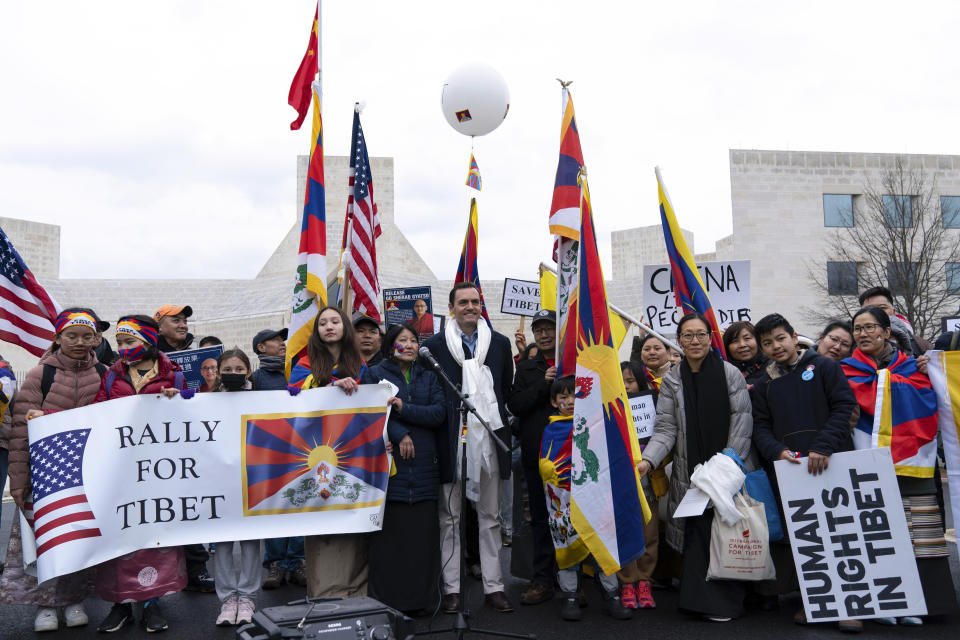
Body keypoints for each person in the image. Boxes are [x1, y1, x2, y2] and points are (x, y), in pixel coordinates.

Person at [842, 306, 959, 625]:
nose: (863, 334)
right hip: (866, 463)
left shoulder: (915, 368)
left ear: (886, 332)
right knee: (877, 534)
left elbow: (934, 403)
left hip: (912, 463)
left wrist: (918, 374)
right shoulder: (845, 370)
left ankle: (922, 603)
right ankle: (884, 604)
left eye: (869, 327)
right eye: (857, 328)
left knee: (919, 536)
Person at [637, 312, 754, 622]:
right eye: (687, 336)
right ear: (679, 341)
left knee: (726, 534)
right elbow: (665, 428)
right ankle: (697, 602)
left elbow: (742, 425)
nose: (695, 341)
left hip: (726, 472)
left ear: (710, 337)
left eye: (700, 334)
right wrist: (648, 459)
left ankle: (726, 604)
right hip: (691, 474)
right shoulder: (672, 380)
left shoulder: (730, 374)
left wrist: (727, 465)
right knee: (697, 535)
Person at [749, 313, 859, 632]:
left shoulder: (824, 367)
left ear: (795, 337)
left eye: (780, 338)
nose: (775, 346)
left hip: (833, 462)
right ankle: (814, 602)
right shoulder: (763, 384)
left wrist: (823, 446)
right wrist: (777, 452)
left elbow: (843, 407)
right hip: (792, 471)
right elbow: (760, 427)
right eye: (767, 343)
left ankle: (849, 605)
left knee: (842, 535)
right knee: (807, 541)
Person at [0, 310, 106, 632]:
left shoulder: (105, 373)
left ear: (96, 340)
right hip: (44, 476)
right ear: (58, 337)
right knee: (45, 541)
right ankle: (45, 604)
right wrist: (19, 482)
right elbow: (19, 431)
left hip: (88, 475)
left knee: (78, 539)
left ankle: (74, 600)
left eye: (87, 336)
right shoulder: (39, 375)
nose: (79, 342)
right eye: (71, 335)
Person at [422, 282, 515, 614]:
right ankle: (452, 589)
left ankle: (494, 587)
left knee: (489, 517)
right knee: (450, 516)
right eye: (463, 302)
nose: (470, 307)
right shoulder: (432, 346)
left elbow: (505, 391)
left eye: (475, 302)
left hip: (490, 440)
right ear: (451, 307)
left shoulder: (500, 344)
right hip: (451, 441)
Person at [93, 315, 188, 633]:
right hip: (120, 472)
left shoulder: (174, 376)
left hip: (158, 473)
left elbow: (192, 418)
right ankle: (120, 604)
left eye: (129, 342)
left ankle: (152, 602)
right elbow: (95, 416)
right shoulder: (109, 378)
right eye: (119, 343)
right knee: (120, 535)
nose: (123, 348)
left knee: (154, 535)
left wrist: (179, 401)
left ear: (147, 341)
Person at [288, 306, 379, 599]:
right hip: (315, 453)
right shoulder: (305, 361)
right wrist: (331, 385)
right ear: (316, 331)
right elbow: (293, 393)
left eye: (335, 321)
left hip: (352, 454)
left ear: (344, 328)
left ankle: (356, 593)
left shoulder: (360, 363)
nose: (329, 326)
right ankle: (325, 595)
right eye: (323, 323)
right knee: (323, 521)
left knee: (352, 518)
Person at [540, 376, 632, 622]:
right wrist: (552, 470)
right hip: (565, 498)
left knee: (603, 545)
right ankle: (570, 594)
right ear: (553, 401)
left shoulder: (596, 424)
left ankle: (612, 593)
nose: (570, 401)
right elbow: (545, 461)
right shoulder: (553, 428)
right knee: (568, 545)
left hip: (596, 495)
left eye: (575, 395)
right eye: (563, 397)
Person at [368, 324, 445, 614]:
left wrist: (403, 408)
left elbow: (438, 413)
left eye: (414, 340)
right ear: (391, 346)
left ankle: (423, 604)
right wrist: (401, 434)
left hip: (424, 469)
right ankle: (388, 605)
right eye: (403, 341)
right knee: (391, 543)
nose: (410, 345)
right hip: (391, 471)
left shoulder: (429, 375)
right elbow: (372, 413)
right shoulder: (375, 374)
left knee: (421, 543)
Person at [154, 304, 214, 592]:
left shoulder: (203, 355)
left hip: (193, 440)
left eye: (185, 320)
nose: (183, 324)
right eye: (175, 320)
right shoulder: (146, 355)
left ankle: (196, 569)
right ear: (159, 324)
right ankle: (156, 577)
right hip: (157, 442)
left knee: (191, 506)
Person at [207, 349, 263, 626]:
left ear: (248, 372)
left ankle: (249, 597)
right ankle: (228, 599)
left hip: (253, 475)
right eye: (227, 369)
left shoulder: (263, 396)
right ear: (217, 372)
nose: (233, 374)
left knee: (251, 541)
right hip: (220, 478)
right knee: (224, 541)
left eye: (239, 369)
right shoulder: (205, 401)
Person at [506, 308, 558, 606]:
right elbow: (515, 404)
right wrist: (544, 384)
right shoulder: (526, 369)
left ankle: (572, 579)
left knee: (572, 517)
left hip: (572, 457)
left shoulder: (574, 363)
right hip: (537, 455)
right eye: (539, 330)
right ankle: (542, 580)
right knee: (540, 519)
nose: (544, 334)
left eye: (549, 328)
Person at [248, 328, 304, 589]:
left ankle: (297, 561)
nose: (283, 343)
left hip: (300, 450)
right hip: (268, 453)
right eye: (276, 340)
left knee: (299, 503)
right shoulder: (256, 378)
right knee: (273, 508)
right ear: (261, 348)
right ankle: (275, 563)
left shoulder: (297, 372)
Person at [616, 360, 658, 610]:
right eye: (620, 382)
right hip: (620, 483)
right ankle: (627, 582)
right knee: (624, 531)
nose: (625, 386)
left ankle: (645, 581)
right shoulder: (608, 412)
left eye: (630, 381)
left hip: (647, 481)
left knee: (649, 533)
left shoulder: (650, 407)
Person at [858, 286, 933, 356]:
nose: (877, 313)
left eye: (882, 308)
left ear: (893, 312)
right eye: (869, 309)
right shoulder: (851, 342)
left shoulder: (920, 345)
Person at [722, 321, 769, 388]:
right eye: (735, 341)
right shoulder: (722, 372)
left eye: (747, 338)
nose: (742, 345)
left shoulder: (773, 367)